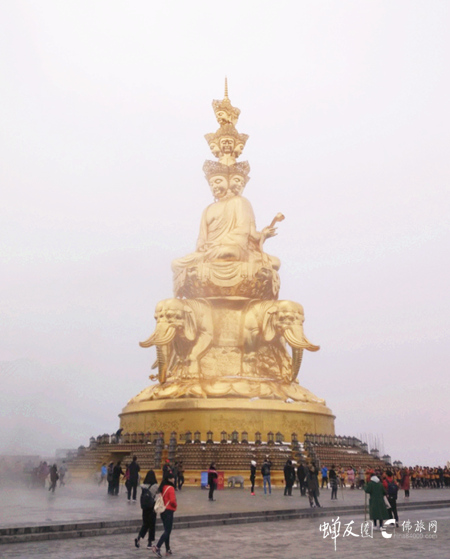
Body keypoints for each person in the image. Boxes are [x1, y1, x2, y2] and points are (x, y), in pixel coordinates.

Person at [152, 473, 177, 558]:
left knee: (167, 530)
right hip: (169, 511)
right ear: (169, 479)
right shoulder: (171, 488)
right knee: (167, 531)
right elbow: (172, 501)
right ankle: (157, 547)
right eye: (172, 478)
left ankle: (168, 549)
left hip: (163, 511)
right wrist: (175, 505)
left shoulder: (162, 487)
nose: (174, 479)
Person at [135, 470, 158, 549]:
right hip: (152, 507)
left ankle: (139, 537)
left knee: (145, 524)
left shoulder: (144, 486)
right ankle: (149, 543)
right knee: (152, 525)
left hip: (145, 507)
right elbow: (157, 496)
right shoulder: (155, 486)